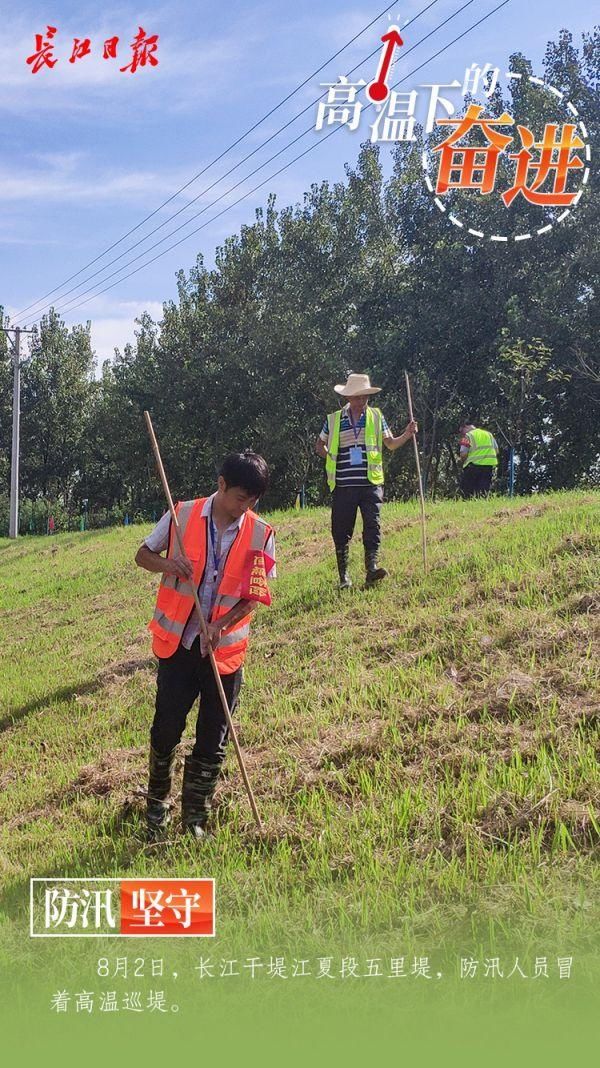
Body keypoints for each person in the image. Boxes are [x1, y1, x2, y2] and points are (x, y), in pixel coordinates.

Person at [135, 451, 275, 841]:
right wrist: (168, 564)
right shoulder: (181, 515)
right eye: (240, 498)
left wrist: (221, 625)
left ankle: (195, 820)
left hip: (224, 654)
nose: (244, 507)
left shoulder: (261, 533)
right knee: (165, 732)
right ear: (221, 485)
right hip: (178, 648)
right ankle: (155, 813)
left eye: (252, 501)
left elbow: (254, 596)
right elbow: (142, 554)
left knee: (213, 740)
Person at [315, 372, 417, 589]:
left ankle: (372, 568)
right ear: (348, 397)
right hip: (343, 484)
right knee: (341, 529)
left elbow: (390, 444)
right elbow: (319, 445)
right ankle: (344, 576)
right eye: (357, 397)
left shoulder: (377, 417)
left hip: (371, 482)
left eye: (365, 397)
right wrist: (330, 456)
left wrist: (407, 434)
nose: (361, 401)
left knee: (373, 524)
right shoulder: (333, 420)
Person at [459, 422, 499, 498]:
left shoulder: (467, 436)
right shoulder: (489, 434)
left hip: (473, 466)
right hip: (488, 466)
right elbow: (496, 450)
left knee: (467, 492)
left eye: (462, 431)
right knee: (483, 492)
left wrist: (464, 461)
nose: (462, 434)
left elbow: (463, 454)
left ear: (466, 427)